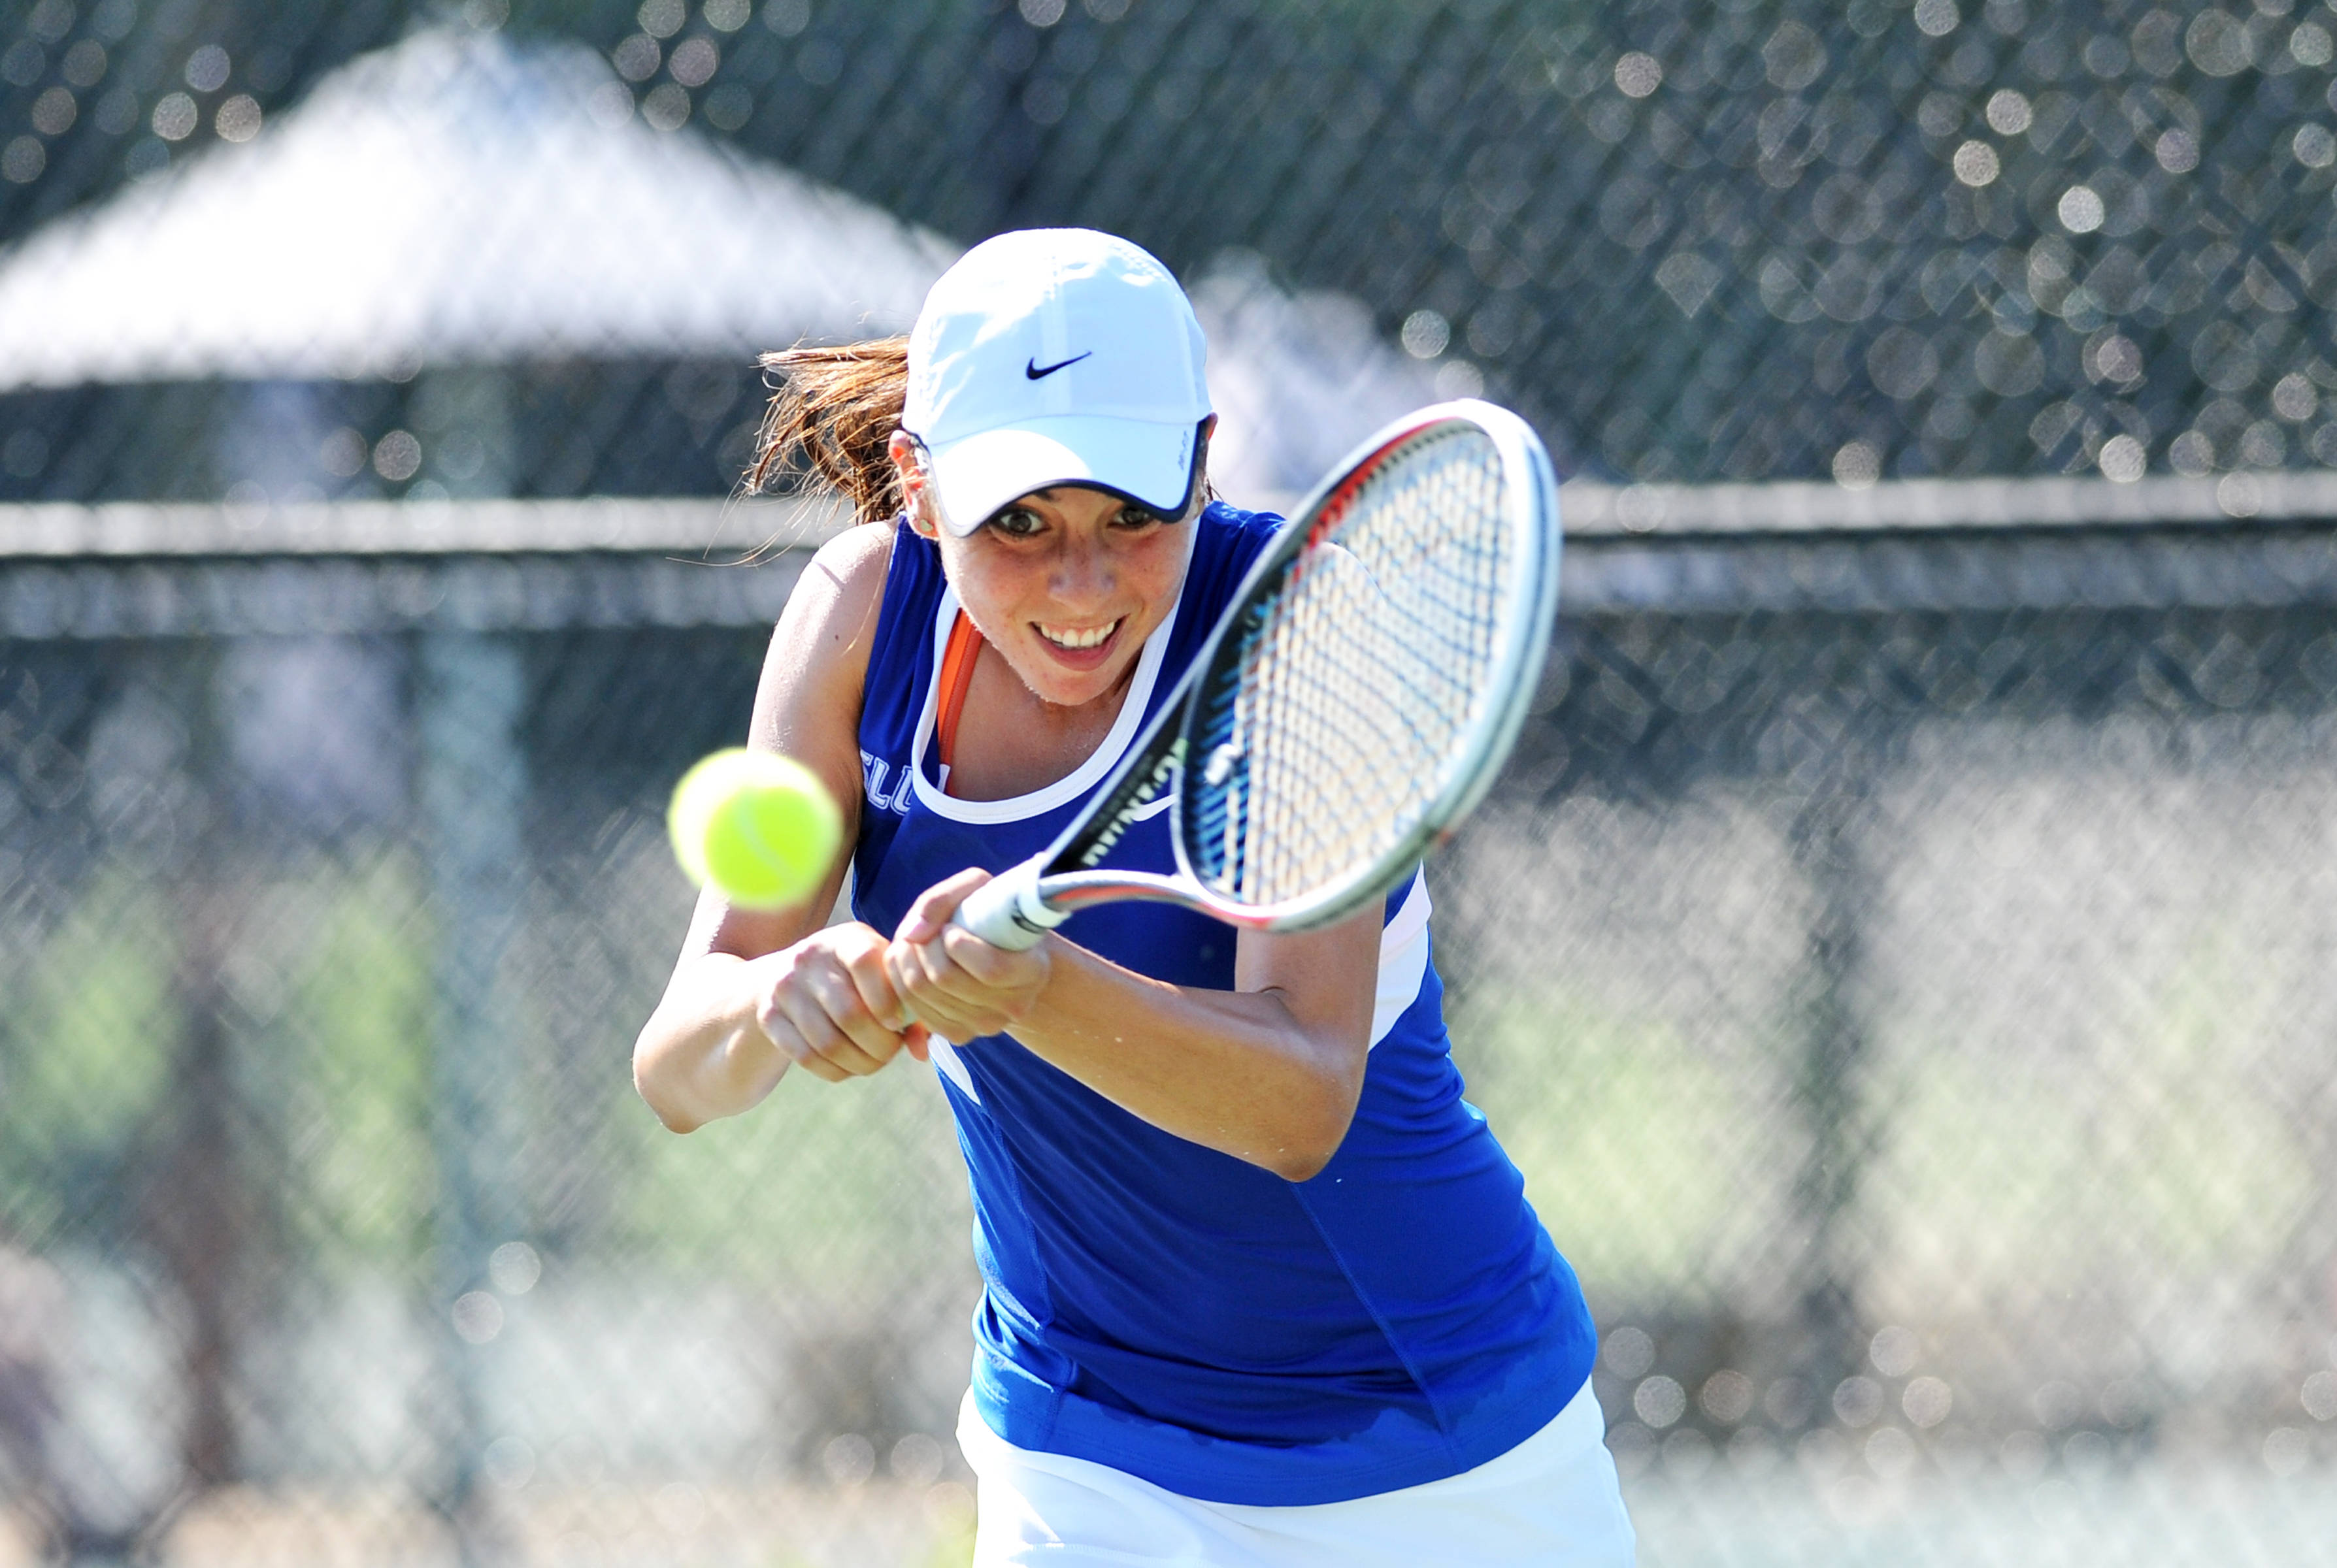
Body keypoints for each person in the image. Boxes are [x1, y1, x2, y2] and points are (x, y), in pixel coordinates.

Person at [632, 229, 1634, 1566]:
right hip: (1083, 1449)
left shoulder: (1299, 628)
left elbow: (1301, 1099)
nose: (1082, 584)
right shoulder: (862, 618)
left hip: (1438, 1446)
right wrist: (778, 998)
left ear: (1204, 461)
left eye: (1130, 517)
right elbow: (679, 1073)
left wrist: (1041, 990)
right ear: (921, 489)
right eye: (1022, 525)